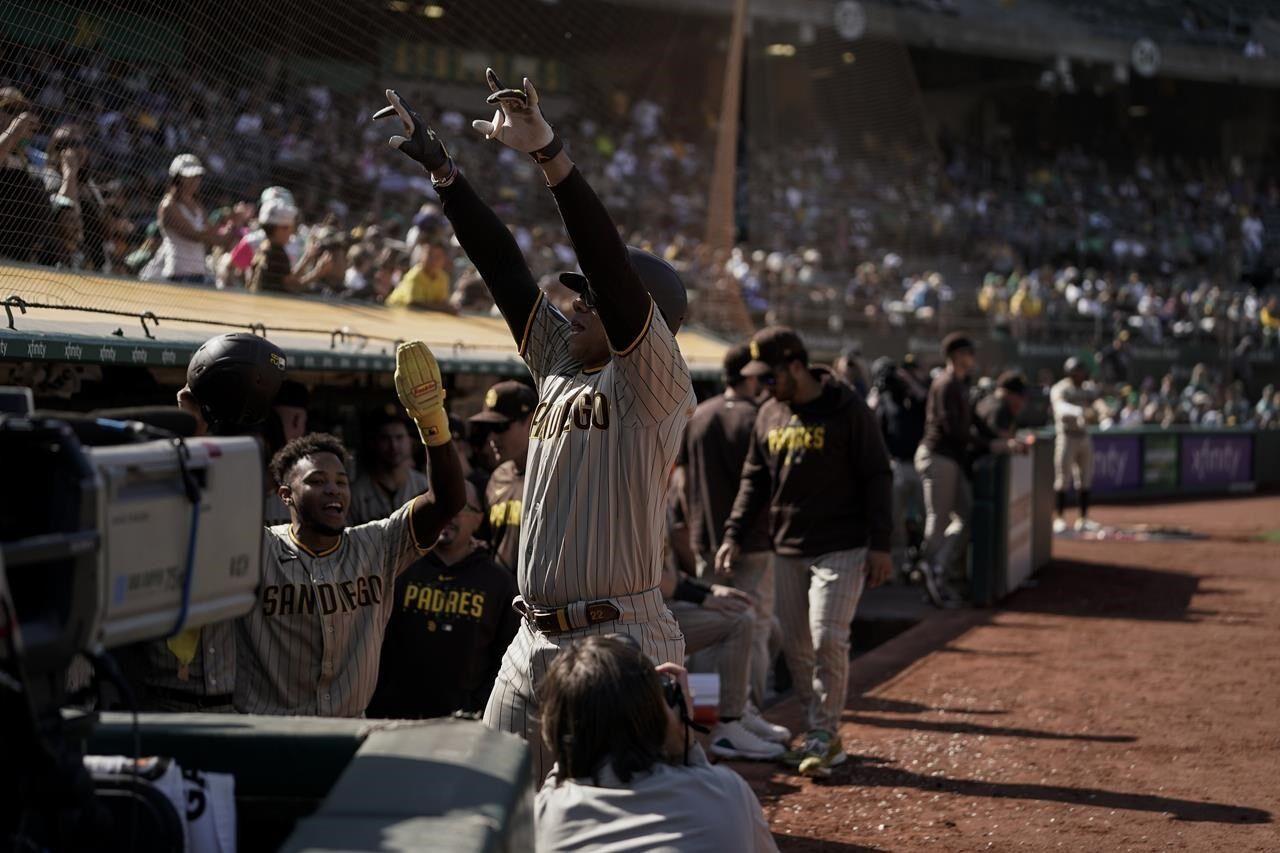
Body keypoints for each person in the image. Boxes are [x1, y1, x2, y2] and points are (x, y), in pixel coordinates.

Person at [376, 73, 695, 782]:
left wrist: (551, 156)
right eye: (575, 299)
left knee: (613, 815)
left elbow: (611, 270)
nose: (574, 307)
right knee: (487, 804)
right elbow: (508, 275)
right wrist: (446, 176)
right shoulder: (556, 365)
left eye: (589, 301)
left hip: (620, 637)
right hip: (530, 637)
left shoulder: (652, 378)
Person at [234, 341, 465, 716]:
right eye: (317, 481)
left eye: (341, 481)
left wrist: (432, 423)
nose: (334, 489)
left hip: (350, 731)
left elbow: (447, 502)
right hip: (272, 737)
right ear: (285, 495)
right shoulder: (258, 549)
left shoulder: (376, 545)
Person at [716, 326, 894, 778]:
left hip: (844, 545)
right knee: (797, 647)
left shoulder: (847, 407)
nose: (764, 385)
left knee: (827, 635)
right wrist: (733, 533)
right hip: (789, 545)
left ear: (796, 365)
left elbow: (877, 475)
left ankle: (822, 731)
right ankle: (821, 732)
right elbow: (754, 480)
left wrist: (882, 544)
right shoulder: (768, 413)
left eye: (770, 376)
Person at [534, 636, 778, 852]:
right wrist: (683, 734)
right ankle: (730, 721)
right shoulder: (729, 791)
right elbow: (703, 784)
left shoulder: (541, 819)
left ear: (551, 729)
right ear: (663, 717)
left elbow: (563, 769)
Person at [678, 343, 781, 720]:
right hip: (752, 541)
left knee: (709, 634)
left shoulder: (698, 415)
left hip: (705, 539)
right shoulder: (760, 417)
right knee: (753, 627)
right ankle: (744, 713)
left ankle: (705, 716)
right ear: (750, 376)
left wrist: (694, 531)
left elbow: (681, 482)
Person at [366, 481, 519, 719]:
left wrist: (479, 707)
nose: (446, 515)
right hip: (394, 721)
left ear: (478, 519)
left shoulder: (500, 583)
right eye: (439, 504)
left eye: (458, 507)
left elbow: (506, 658)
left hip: (463, 726)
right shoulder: (397, 569)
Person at [914, 334, 1025, 608]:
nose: (972, 357)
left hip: (949, 459)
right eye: (968, 353)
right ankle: (930, 574)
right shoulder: (945, 384)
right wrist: (993, 444)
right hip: (938, 456)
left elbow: (974, 422)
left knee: (965, 514)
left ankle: (936, 568)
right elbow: (955, 431)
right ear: (955, 355)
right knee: (938, 518)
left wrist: (999, 440)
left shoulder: (961, 384)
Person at [660, 552, 787, 759]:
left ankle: (737, 714)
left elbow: (671, 573)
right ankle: (730, 724)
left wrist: (711, 590)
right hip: (642, 616)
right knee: (739, 620)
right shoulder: (631, 520)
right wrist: (703, 598)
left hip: (661, 607)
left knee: (745, 614)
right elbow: (654, 580)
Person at [467, 380, 537, 572]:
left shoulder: (552, 476)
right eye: (488, 428)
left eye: (500, 427)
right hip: (502, 599)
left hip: (538, 599)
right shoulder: (498, 477)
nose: (492, 438)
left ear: (531, 421)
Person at [868, 357, 927, 578]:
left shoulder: (912, 394)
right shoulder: (882, 398)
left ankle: (923, 565)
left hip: (918, 465)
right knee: (894, 520)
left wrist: (909, 382)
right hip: (895, 465)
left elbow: (927, 403)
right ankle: (896, 566)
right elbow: (868, 420)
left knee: (923, 518)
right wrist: (876, 393)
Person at [0, 87, 52, 264]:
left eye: (21, 112)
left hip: (24, 255)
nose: (19, 118)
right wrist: (15, 129)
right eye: (10, 110)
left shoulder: (30, 156)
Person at [350, 412, 430, 525]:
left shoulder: (424, 485)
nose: (393, 445)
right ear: (373, 443)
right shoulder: (357, 493)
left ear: (410, 442)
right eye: (385, 438)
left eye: (399, 437)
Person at [1051, 357, 1098, 533]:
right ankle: (1059, 518)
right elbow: (1060, 407)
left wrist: (1102, 410)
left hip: (1084, 436)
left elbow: (1097, 403)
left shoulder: (1087, 388)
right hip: (1067, 436)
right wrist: (1080, 411)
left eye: (1081, 371)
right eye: (1076, 372)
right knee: (1062, 479)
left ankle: (1083, 519)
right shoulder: (1061, 388)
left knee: (1085, 479)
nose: (1080, 375)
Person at [157, 154, 217, 284]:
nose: (194, 181)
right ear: (177, 179)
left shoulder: (197, 206)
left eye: (197, 176)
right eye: (189, 176)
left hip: (199, 274)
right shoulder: (169, 206)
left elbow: (211, 236)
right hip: (179, 275)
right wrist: (221, 224)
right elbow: (195, 235)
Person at [385, 239, 455, 311]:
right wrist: (444, 308)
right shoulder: (415, 275)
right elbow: (415, 303)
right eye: (429, 254)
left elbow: (441, 301)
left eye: (438, 257)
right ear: (421, 255)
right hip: (394, 309)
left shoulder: (443, 277)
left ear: (444, 259)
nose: (433, 260)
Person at [975, 371, 1028, 439]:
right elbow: (997, 436)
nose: (1022, 403)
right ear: (1010, 394)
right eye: (1021, 396)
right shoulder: (1000, 408)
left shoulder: (991, 400)